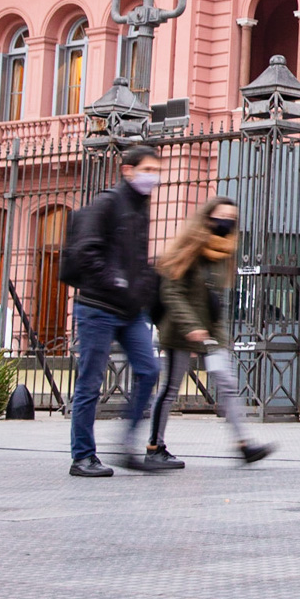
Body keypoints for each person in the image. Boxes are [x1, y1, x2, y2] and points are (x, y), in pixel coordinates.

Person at [146, 197, 273, 466]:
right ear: (207, 217)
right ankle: (154, 446)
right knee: (170, 389)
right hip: (180, 332)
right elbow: (172, 293)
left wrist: (219, 338)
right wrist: (192, 327)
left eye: (232, 218)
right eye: (221, 216)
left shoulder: (223, 253)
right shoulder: (189, 248)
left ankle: (244, 444)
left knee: (227, 383)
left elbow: (216, 301)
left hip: (210, 335)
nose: (226, 222)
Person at [66, 144, 165, 477]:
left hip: (129, 310)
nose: (153, 177)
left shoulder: (141, 207)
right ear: (128, 170)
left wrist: (145, 287)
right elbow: (85, 251)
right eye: (147, 170)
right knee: (90, 383)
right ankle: (83, 456)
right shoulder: (108, 203)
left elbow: (136, 259)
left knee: (149, 369)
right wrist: (118, 281)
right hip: (97, 306)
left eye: (156, 170)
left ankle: (126, 444)